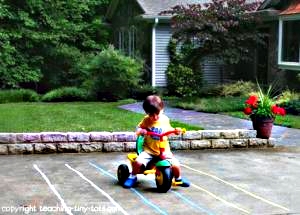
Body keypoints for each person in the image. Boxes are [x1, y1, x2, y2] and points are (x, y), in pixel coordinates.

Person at [123, 95, 190, 188]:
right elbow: (138, 129)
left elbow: (168, 129)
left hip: (164, 150)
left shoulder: (165, 119)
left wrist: (176, 130)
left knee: (176, 164)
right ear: (147, 113)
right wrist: (141, 131)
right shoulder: (146, 120)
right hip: (149, 151)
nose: (154, 117)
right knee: (138, 162)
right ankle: (132, 176)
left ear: (162, 110)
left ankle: (178, 179)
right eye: (151, 115)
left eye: (157, 114)